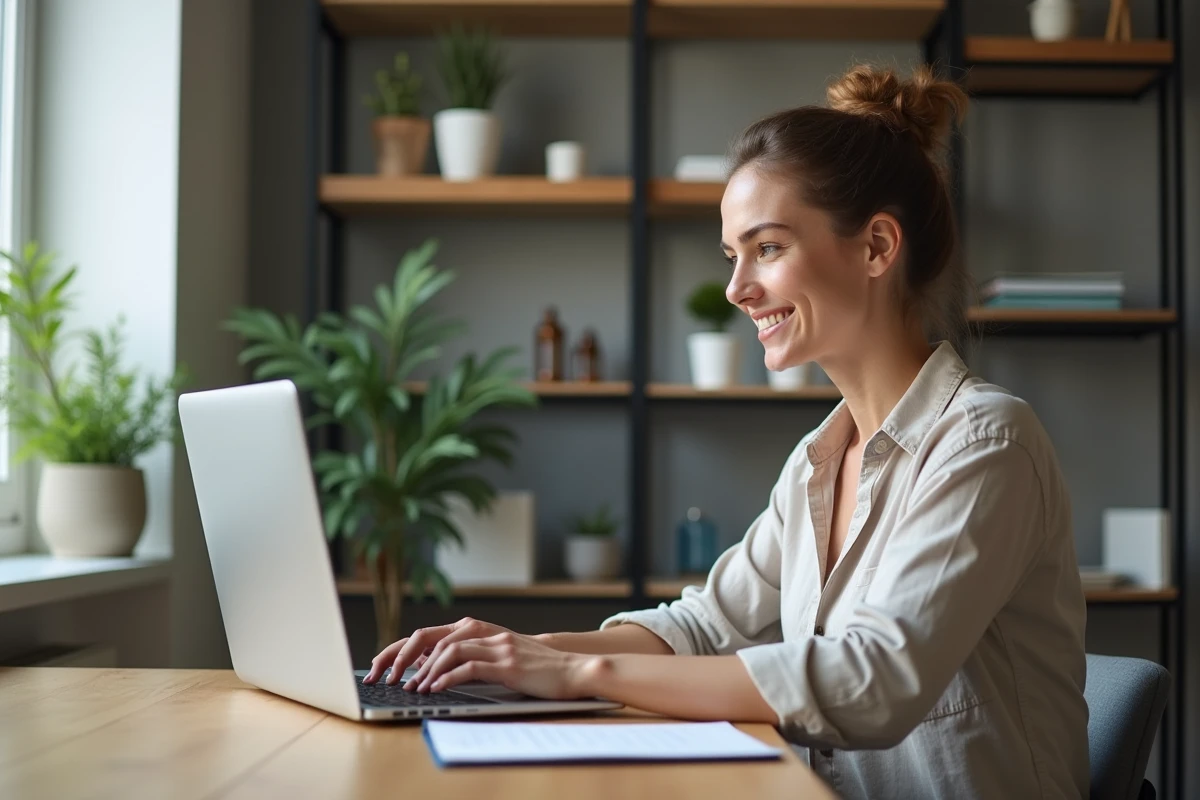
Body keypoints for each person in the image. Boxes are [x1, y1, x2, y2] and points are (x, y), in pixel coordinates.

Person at [363, 63, 1089, 799]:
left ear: (875, 247)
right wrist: (520, 650)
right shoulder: (818, 462)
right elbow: (706, 625)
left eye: (767, 248)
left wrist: (579, 674)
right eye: (732, 255)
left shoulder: (986, 444)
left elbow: (874, 681)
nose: (739, 288)